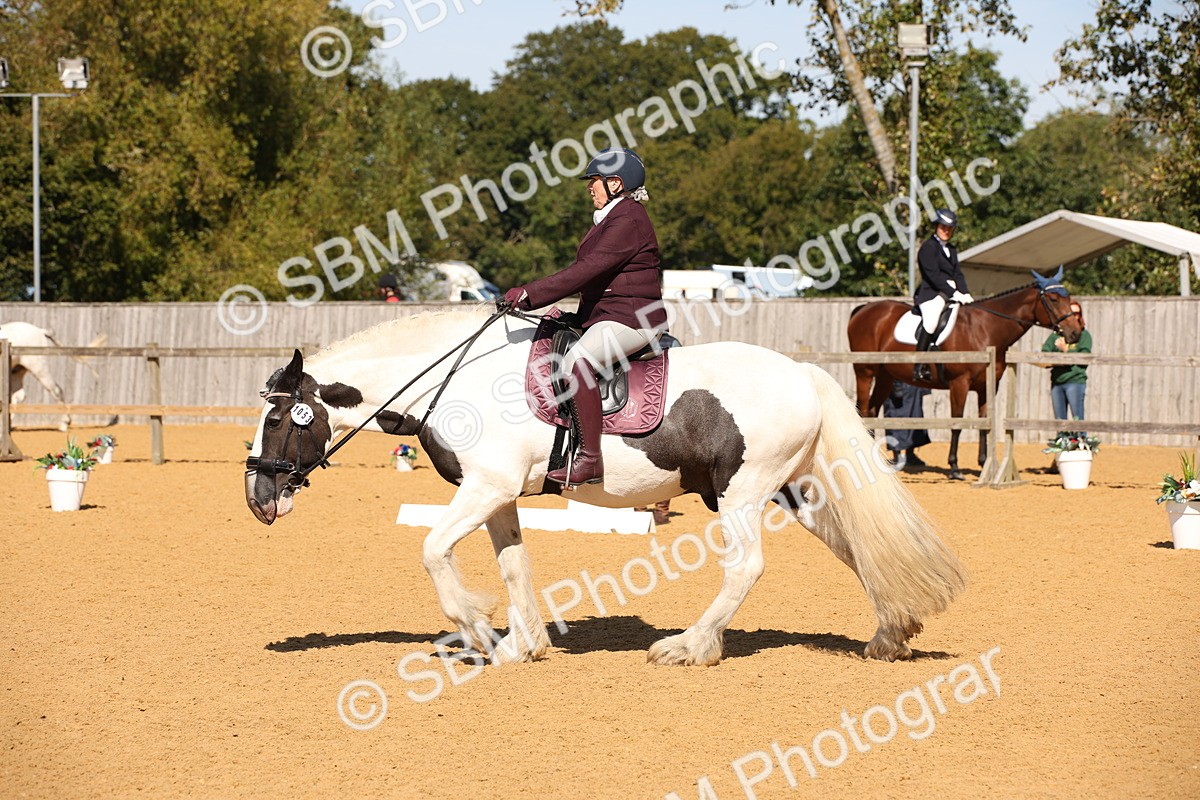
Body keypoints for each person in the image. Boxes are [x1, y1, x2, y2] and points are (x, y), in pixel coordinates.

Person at [500, 147, 666, 486]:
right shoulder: (613, 217)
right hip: (611, 315)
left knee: (578, 361)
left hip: (634, 319)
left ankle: (590, 460)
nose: (589, 187)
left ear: (616, 183)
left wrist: (530, 293)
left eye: (595, 181)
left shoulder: (629, 218)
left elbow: (587, 270)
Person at [913, 208, 973, 382]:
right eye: (943, 227)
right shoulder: (928, 248)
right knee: (931, 321)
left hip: (950, 293)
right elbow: (933, 276)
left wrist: (965, 293)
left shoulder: (951, 250)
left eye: (949, 228)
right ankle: (918, 366)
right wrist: (953, 292)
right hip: (931, 294)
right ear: (937, 227)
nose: (946, 231)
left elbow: (957, 274)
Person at [1042, 301, 1091, 438]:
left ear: (1080, 316)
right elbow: (1045, 352)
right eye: (1071, 313)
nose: (1074, 316)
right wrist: (1059, 357)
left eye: (1077, 313)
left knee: (1077, 420)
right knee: (1060, 422)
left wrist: (1065, 351)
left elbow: (1084, 358)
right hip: (1057, 382)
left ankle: (1081, 444)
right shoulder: (1056, 335)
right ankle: (1062, 447)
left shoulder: (1084, 335)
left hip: (1075, 381)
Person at [884, 380, 931, 471]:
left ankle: (910, 455)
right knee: (894, 417)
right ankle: (897, 457)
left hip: (913, 383)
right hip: (897, 382)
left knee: (915, 415)